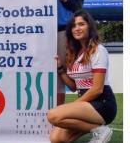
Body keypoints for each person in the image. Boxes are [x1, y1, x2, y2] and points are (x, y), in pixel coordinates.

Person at [20, 0, 84, 106]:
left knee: (58, 74)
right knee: (32, 71)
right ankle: (34, 115)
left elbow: (78, 5)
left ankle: (58, 117)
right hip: (33, 33)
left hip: (60, 32)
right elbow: (17, 3)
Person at [47, 10, 116, 143]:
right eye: (73, 25)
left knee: (53, 115)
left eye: (81, 24)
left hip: (102, 103)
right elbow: (74, 87)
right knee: (56, 139)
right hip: (86, 104)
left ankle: (101, 130)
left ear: (89, 27)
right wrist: (60, 69)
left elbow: (97, 89)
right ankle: (96, 129)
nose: (77, 28)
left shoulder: (98, 50)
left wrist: (74, 105)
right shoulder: (76, 53)